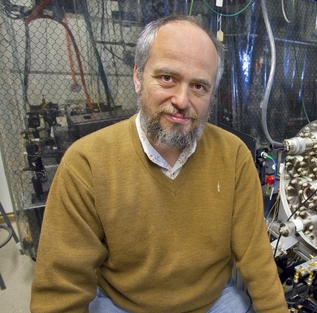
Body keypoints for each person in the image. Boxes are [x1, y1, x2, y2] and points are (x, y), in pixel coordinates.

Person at [30, 14, 288, 313]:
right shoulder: (86, 163)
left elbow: (255, 255)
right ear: (138, 76)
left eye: (199, 87)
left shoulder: (233, 156)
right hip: (124, 304)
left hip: (214, 302)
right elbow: (61, 289)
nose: (182, 100)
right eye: (168, 78)